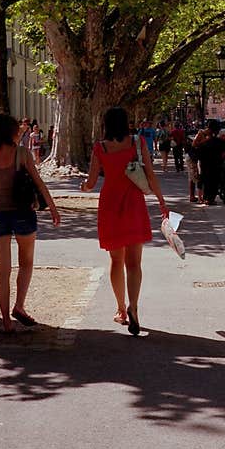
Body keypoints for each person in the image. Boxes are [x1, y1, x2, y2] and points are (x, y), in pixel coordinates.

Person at [80, 106, 169, 335]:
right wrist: (161, 202)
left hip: (110, 205)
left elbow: (91, 183)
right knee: (134, 263)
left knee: (116, 260)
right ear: (126, 122)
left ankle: (120, 308)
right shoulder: (137, 143)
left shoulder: (100, 147)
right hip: (134, 204)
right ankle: (135, 308)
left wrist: (84, 187)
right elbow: (150, 174)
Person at [0, 113, 61, 334]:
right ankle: (19, 306)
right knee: (26, 262)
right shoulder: (21, 153)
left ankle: (5, 319)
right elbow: (38, 182)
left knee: (2, 269)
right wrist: (52, 208)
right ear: (11, 131)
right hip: (23, 212)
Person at [197, 120, 225, 206]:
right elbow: (224, 155)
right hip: (216, 165)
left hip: (205, 164)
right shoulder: (221, 142)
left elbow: (198, 150)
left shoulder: (205, 142)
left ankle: (206, 198)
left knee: (207, 181)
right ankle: (211, 199)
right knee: (214, 182)